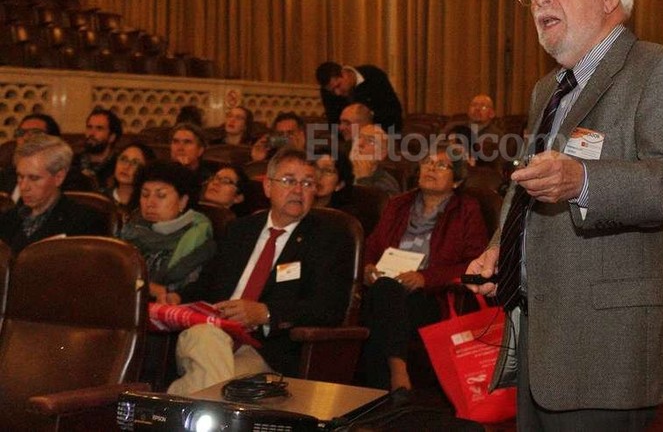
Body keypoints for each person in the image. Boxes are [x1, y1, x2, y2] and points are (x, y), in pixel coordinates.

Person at [464, 0, 663, 429]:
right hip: (539, 337)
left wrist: (583, 181)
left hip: (607, 347)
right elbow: (528, 182)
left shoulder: (660, 70)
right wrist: (500, 248)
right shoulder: (547, 88)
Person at [163, 147, 355, 395]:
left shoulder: (329, 239)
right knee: (207, 340)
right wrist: (177, 297)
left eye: (307, 183)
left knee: (205, 384)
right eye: (289, 180)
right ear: (267, 186)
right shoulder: (240, 230)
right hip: (213, 332)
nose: (298, 190)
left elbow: (329, 307)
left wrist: (266, 313)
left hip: (266, 351)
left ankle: (174, 402)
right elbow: (209, 282)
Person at [362, 146, 489, 391]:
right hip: (387, 287)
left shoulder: (466, 210)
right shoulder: (398, 204)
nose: (431, 168)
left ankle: (389, 383)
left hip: (432, 297)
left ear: (457, 180)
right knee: (386, 291)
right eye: (427, 162)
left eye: (441, 165)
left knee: (383, 300)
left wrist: (426, 278)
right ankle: (397, 376)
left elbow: (475, 263)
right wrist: (367, 268)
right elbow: (372, 246)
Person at [119, 159, 215, 299]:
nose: (150, 203)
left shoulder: (198, 238)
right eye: (145, 195)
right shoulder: (130, 229)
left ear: (183, 201)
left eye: (161, 196)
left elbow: (195, 291)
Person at [0, 134, 104, 253]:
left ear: (59, 177)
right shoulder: (7, 219)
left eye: (34, 178)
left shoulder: (84, 221)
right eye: (20, 176)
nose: (23, 187)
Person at [316, 61, 404, 133]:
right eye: (332, 91)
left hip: (382, 133)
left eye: (338, 85)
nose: (337, 93)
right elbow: (334, 125)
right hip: (348, 141)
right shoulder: (327, 93)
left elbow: (393, 112)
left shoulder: (374, 76)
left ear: (344, 73)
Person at [102, 140, 156, 219]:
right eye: (123, 159)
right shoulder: (100, 199)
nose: (126, 166)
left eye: (135, 163)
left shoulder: (149, 205)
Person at [72, 107, 123, 188]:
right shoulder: (72, 162)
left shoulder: (119, 166)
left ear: (112, 137)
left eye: (99, 128)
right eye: (89, 127)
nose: (92, 133)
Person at [351, 124, 400, 196]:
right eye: (359, 137)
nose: (360, 144)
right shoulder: (339, 172)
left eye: (371, 141)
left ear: (382, 154)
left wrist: (364, 180)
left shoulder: (387, 185)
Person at [170, 122, 213, 187]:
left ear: (200, 150)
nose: (180, 148)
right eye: (175, 142)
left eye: (187, 142)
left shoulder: (207, 180)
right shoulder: (160, 174)